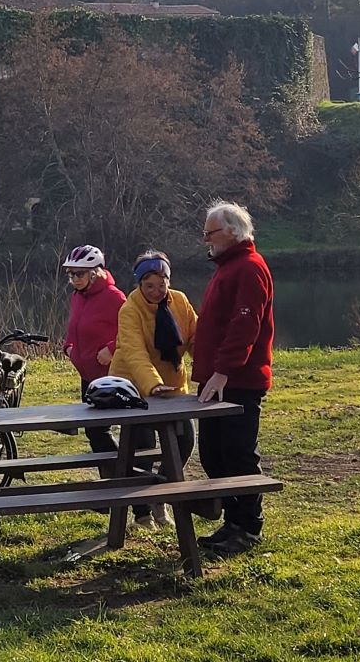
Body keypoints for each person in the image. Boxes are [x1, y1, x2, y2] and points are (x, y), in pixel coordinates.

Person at [192, 200, 274, 556]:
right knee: (213, 452)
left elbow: (245, 325)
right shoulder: (228, 267)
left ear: (231, 232)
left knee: (238, 453)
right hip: (218, 377)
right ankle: (232, 520)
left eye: (210, 233)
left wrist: (223, 370)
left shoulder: (249, 268)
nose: (206, 240)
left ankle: (248, 526)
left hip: (237, 380)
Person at [109, 250, 198, 530]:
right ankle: (142, 512)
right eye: (150, 286)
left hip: (172, 386)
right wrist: (152, 384)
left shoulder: (180, 301)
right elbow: (135, 353)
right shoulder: (129, 309)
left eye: (163, 284)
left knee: (184, 441)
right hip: (136, 387)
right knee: (143, 448)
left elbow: (195, 339)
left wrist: (211, 368)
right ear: (139, 284)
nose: (157, 291)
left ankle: (161, 493)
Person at [61, 245, 127, 471]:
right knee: (93, 430)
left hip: (108, 376)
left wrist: (111, 348)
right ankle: (112, 483)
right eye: (71, 274)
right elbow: (74, 327)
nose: (74, 279)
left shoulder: (114, 297)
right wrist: (67, 347)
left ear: (95, 272)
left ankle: (121, 477)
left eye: (79, 274)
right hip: (86, 375)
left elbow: (132, 330)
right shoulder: (77, 297)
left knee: (99, 430)